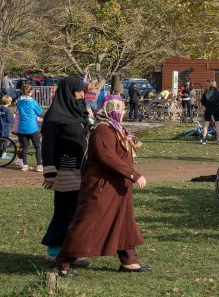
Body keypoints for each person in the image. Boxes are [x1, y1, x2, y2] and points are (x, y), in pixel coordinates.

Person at [54, 95, 149, 277]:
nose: (123, 111)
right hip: (102, 187)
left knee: (123, 222)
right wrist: (133, 175)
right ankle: (63, 263)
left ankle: (129, 261)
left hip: (118, 187)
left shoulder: (115, 128)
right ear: (110, 109)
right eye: (120, 108)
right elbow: (107, 158)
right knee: (89, 224)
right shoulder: (102, 130)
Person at [40, 76, 91, 264]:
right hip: (65, 173)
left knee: (78, 213)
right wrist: (50, 171)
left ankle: (72, 251)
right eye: (78, 91)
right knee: (65, 211)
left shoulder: (79, 111)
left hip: (82, 171)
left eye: (82, 91)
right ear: (68, 92)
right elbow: (48, 145)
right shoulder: (54, 117)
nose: (81, 94)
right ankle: (54, 250)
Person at [16, 83, 44, 171]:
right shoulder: (32, 102)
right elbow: (39, 111)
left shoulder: (19, 101)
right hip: (32, 127)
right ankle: (39, 165)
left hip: (22, 127)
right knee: (38, 146)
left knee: (25, 146)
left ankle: (25, 165)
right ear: (31, 92)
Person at [0, 95, 13, 159]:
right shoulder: (7, 110)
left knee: (0, 141)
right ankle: (4, 154)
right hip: (5, 129)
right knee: (6, 141)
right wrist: (14, 116)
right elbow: (9, 120)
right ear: (9, 103)